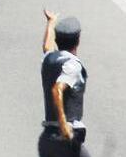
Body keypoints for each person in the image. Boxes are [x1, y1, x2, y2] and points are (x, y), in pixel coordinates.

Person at [39, 10, 89, 156]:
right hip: (64, 142)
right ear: (78, 41)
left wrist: (51, 23)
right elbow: (57, 90)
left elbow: (47, 47)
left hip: (47, 140)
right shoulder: (72, 65)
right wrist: (63, 125)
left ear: (57, 40)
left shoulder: (50, 59)